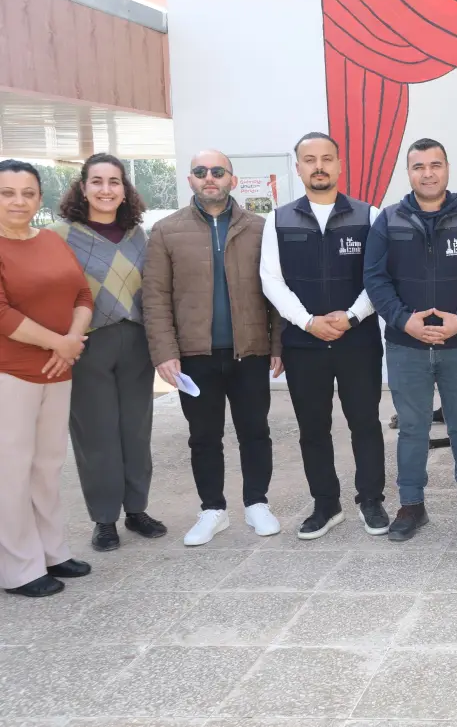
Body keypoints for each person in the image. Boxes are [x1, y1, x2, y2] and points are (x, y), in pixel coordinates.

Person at [143, 150, 284, 547]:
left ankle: (257, 503)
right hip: (194, 356)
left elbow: (277, 292)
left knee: (255, 431)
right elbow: (155, 297)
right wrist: (164, 352)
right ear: (190, 179)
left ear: (232, 180)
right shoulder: (167, 231)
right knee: (203, 436)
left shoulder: (260, 229)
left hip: (250, 352)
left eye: (218, 171)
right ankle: (212, 510)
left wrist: (278, 344)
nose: (210, 177)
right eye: (201, 171)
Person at [365, 137, 457, 539]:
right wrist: (403, 320)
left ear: (447, 169)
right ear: (409, 172)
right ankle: (412, 505)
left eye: (435, 165)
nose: (428, 173)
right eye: (419, 166)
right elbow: (375, 278)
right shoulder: (388, 221)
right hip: (406, 345)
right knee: (412, 428)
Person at [260, 133, 388, 540]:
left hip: (358, 341)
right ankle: (326, 505)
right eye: (310, 159)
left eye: (327, 158)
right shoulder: (277, 220)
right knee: (313, 429)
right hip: (304, 344)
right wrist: (306, 321)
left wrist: (351, 316)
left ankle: (371, 500)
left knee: (365, 423)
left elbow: (380, 277)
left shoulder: (369, 216)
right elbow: (271, 280)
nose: (319, 166)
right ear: (298, 167)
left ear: (339, 165)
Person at [53, 154, 166, 552]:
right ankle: (104, 519)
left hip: (136, 343)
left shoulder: (138, 235)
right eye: (97, 181)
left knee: (136, 430)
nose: (106, 189)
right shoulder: (59, 236)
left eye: (114, 181)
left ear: (124, 188)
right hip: (88, 345)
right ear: (83, 188)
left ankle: (137, 510)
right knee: (96, 434)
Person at [0, 159, 94, 597]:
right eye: (7, 193)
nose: (18, 202)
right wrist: (61, 344)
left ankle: (52, 552)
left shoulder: (52, 240)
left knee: (48, 465)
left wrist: (71, 341)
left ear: (39, 197)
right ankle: (19, 568)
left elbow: (82, 294)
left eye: (28, 193)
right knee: (11, 470)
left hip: (58, 371)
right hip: (11, 373)